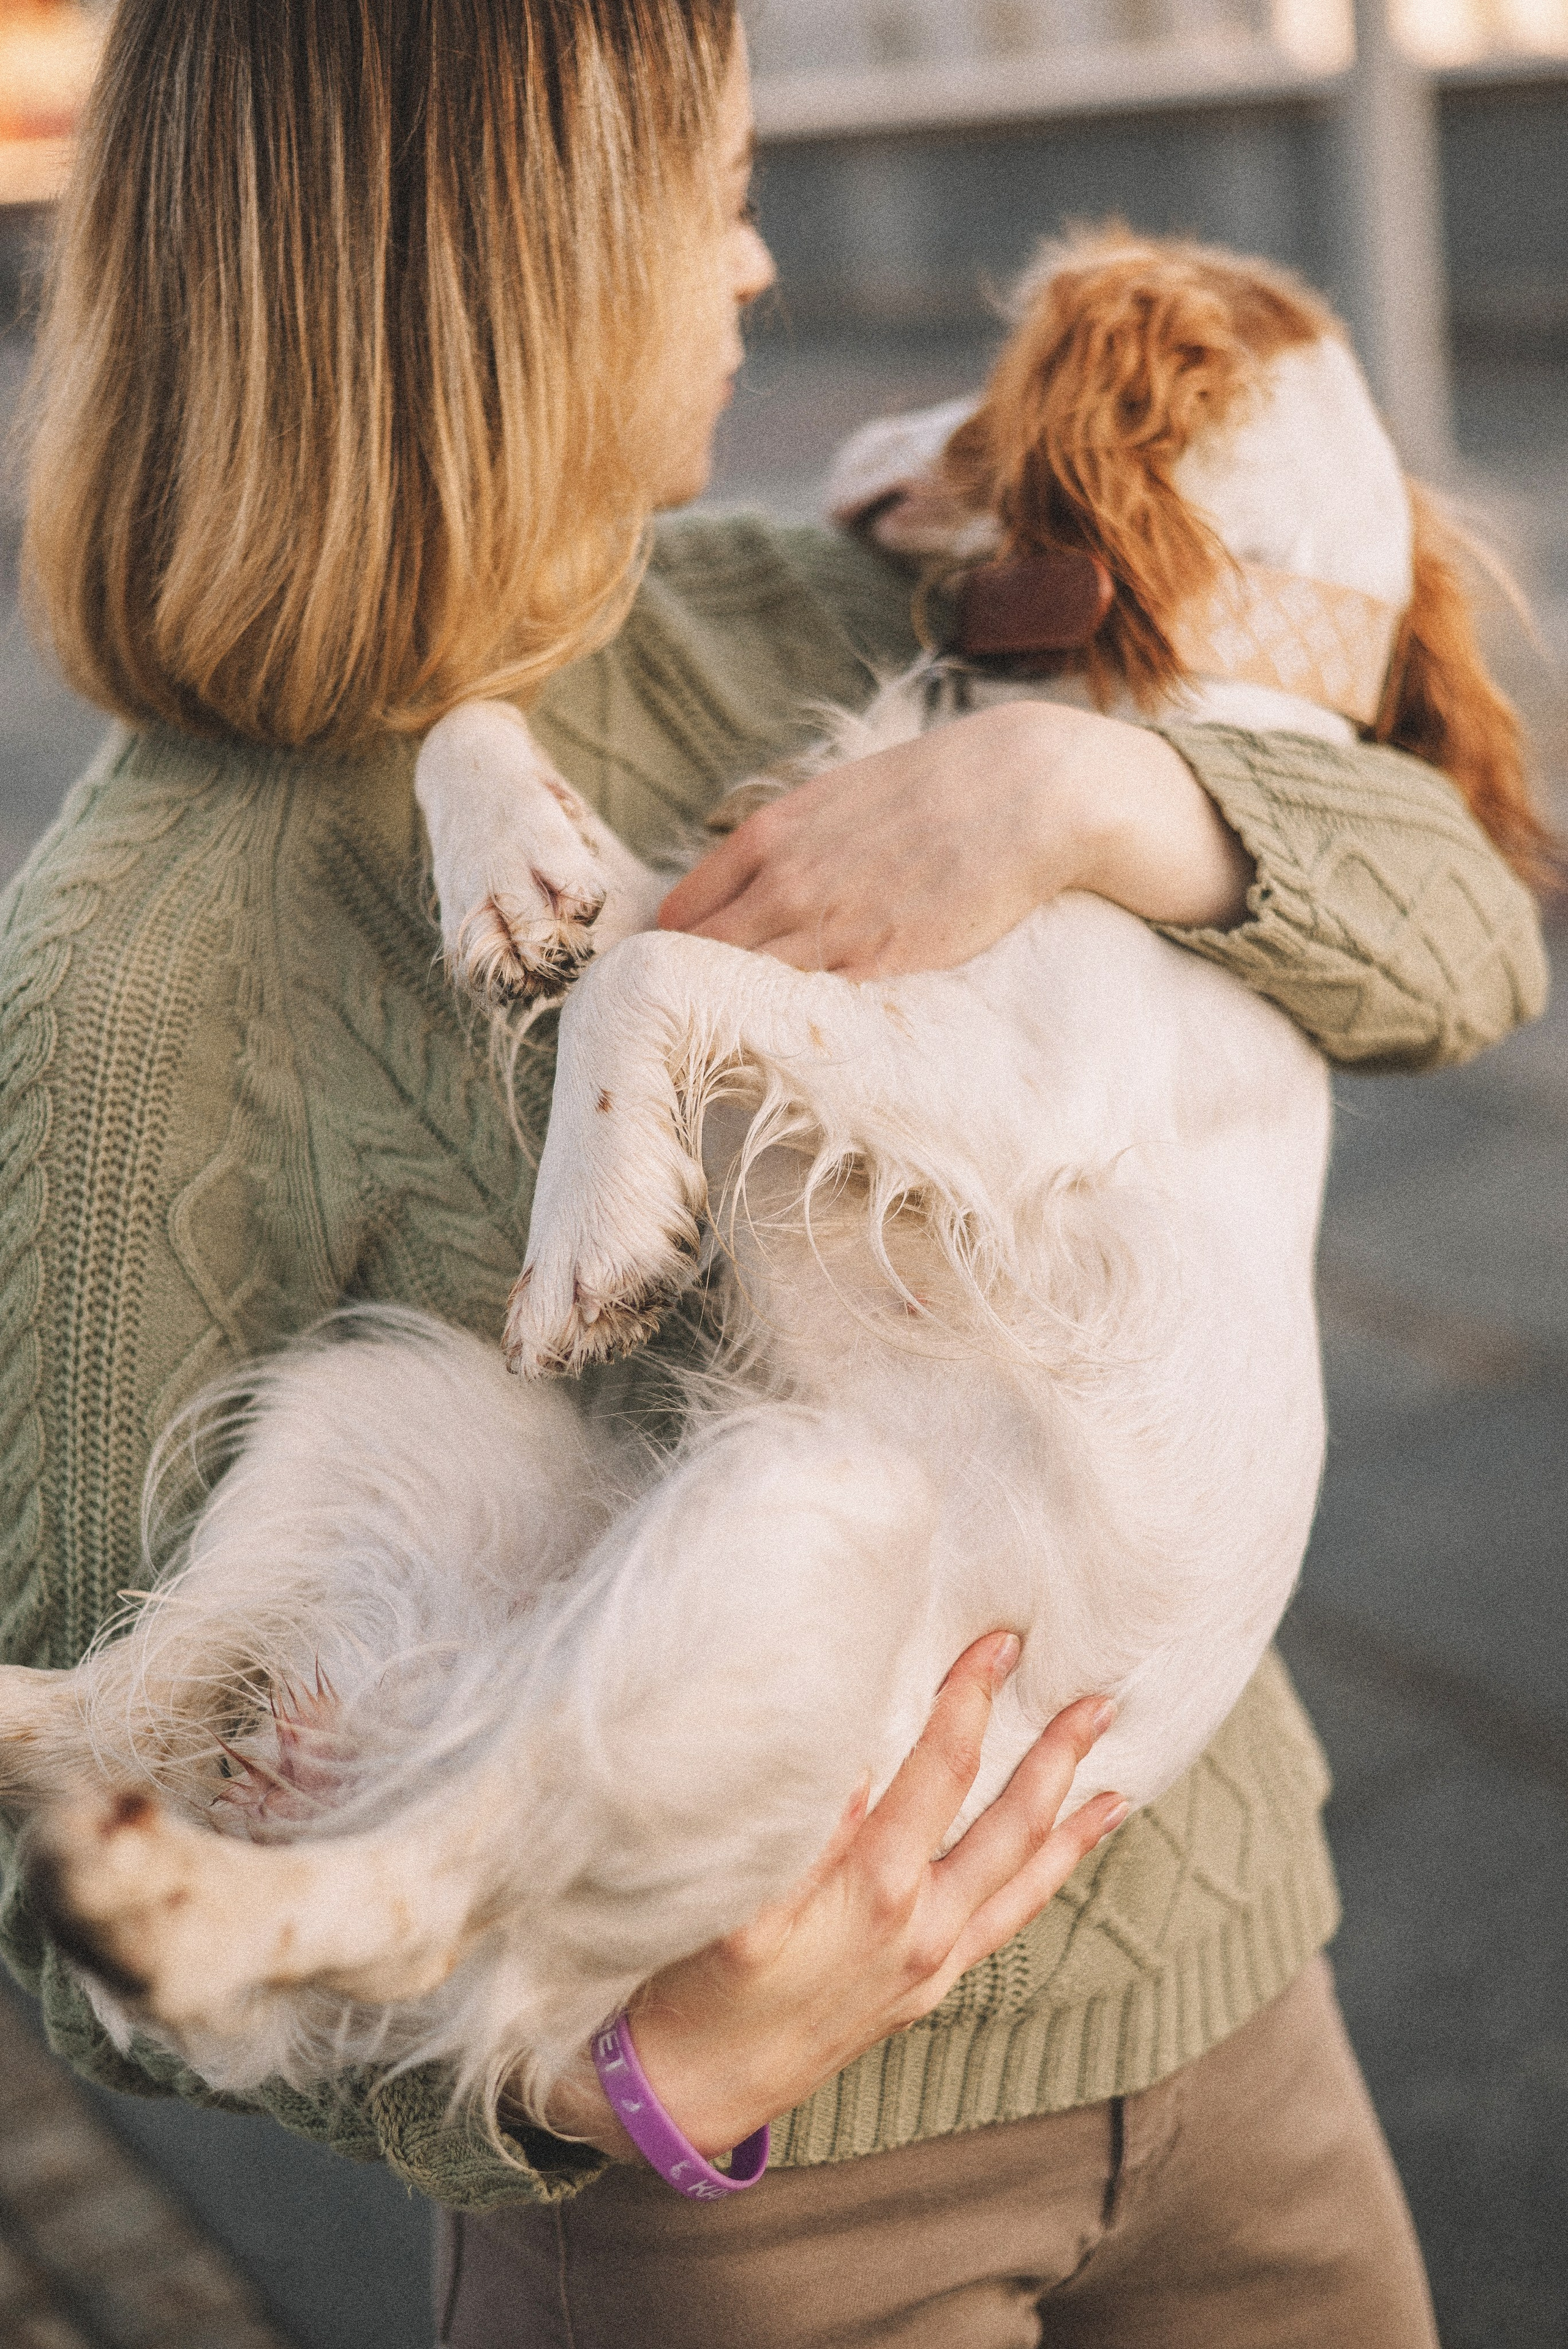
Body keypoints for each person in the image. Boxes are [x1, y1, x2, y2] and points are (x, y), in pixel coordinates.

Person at [1, 3, 1548, 2343]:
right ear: (510, 273)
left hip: (1227, 1992)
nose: (759, 269)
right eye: (710, 199)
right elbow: (84, 1923)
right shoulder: (122, 987)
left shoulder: (824, 605)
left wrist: (1085, 795)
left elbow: (1465, 944)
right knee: (374, 1456)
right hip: (748, 2213)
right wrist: (622, 2080)